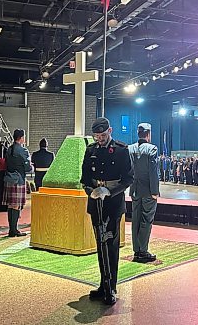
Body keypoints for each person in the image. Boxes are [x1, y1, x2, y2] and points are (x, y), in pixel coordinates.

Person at [80, 117, 133, 305]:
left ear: (110, 130)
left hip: (113, 203)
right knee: (100, 245)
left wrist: (109, 191)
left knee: (111, 244)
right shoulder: (90, 150)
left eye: (103, 135)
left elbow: (128, 179)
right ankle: (103, 284)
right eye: (96, 136)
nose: (100, 139)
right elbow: (84, 178)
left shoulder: (121, 150)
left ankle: (111, 287)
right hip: (96, 203)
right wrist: (91, 191)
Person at [128, 123, 160, 263]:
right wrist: (154, 191)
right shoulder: (152, 149)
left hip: (135, 190)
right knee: (146, 220)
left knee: (135, 220)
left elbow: (128, 170)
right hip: (148, 191)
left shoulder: (130, 149)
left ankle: (136, 250)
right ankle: (143, 251)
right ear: (148, 134)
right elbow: (153, 172)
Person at [2, 129, 32, 237]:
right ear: (21, 138)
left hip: (9, 179)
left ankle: (12, 229)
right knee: (16, 205)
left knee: (10, 205)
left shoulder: (9, 149)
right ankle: (14, 230)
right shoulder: (23, 151)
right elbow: (28, 168)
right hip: (18, 180)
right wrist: (32, 167)